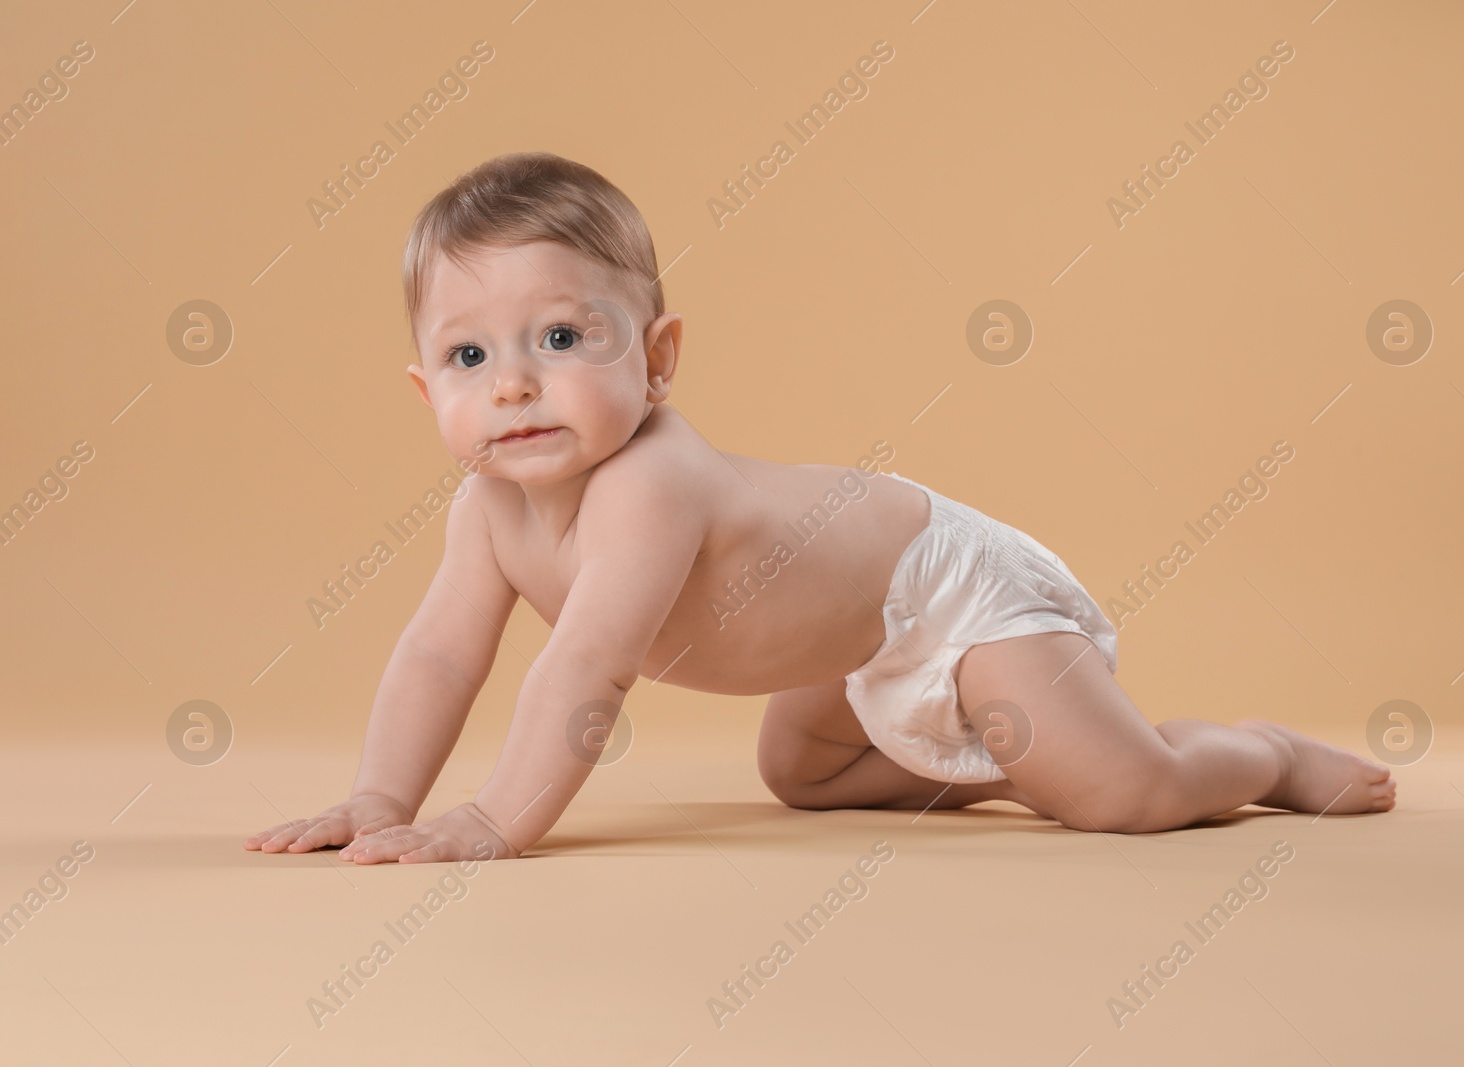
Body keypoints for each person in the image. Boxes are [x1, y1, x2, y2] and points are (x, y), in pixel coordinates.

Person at [245, 152, 1394, 865]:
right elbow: (441, 655)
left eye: (561, 337)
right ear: (424, 387)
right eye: (467, 353)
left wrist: (493, 816)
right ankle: (1005, 757)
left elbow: (588, 668)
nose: (512, 381)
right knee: (803, 775)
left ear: (656, 359)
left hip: (943, 591)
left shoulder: (650, 478)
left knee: (1120, 797)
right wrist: (379, 795)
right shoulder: (485, 507)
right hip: (844, 646)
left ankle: (1259, 754)